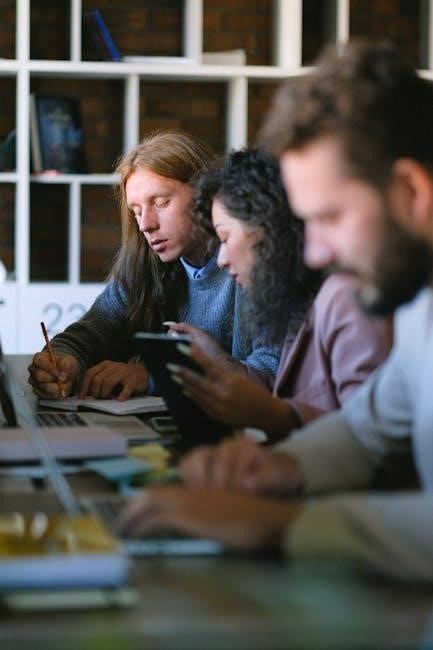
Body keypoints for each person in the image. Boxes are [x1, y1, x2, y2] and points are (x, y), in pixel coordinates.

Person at [119, 41, 433, 581]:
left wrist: (280, 524)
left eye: (330, 218)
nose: (314, 253)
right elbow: (366, 430)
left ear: (411, 190)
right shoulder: (419, 303)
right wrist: (276, 467)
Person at [28, 131, 280, 401]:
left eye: (161, 203)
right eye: (136, 211)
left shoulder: (250, 264)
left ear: (205, 194)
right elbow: (90, 333)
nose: (146, 225)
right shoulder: (143, 262)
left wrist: (154, 376)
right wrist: (63, 363)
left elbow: (270, 374)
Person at [166, 148, 391, 438]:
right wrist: (217, 359)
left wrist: (277, 416)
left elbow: (371, 439)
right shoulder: (298, 300)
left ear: (268, 230)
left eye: (225, 237)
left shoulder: (344, 298)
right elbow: (280, 391)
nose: (221, 259)